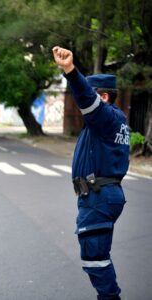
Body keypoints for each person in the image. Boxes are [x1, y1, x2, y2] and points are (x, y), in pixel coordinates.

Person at [53, 46, 130, 300]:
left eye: (92, 96)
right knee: (95, 257)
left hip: (99, 195)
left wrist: (70, 71)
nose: (80, 101)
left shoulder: (106, 117)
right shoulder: (106, 123)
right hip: (102, 194)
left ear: (104, 98)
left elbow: (87, 98)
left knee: (94, 259)